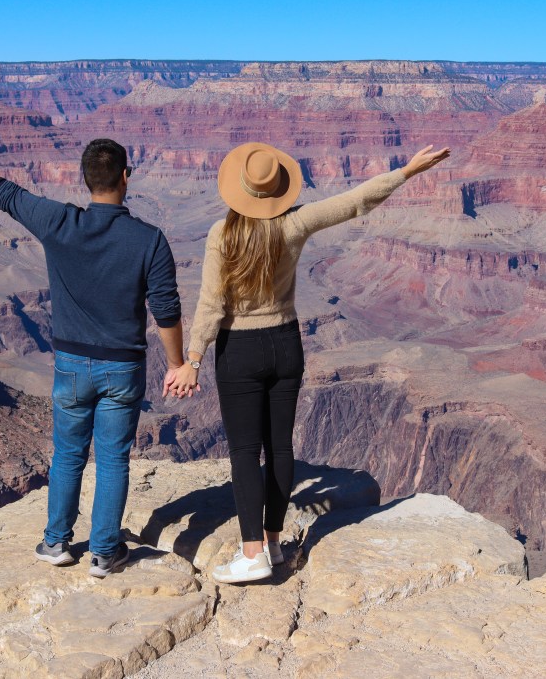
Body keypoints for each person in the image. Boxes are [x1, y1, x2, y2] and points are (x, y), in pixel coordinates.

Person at [0, 124, 185, 577]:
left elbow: (1, 191)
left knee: (69, 454)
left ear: (84, 179)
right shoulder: (149, 239)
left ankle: (56, 542)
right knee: (113, 458)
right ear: (125, 176)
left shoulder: (58, 221)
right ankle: (105, 553)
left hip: (71, 365)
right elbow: (166, 310)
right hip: (123, 366)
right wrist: (176, 363)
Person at [166, 141, 451, 583]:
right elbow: (354, 201)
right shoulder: (294, 224)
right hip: (285, 344)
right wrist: (406, 172)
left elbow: (211, 302)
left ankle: (252, 554)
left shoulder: (222, 234)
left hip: (239, 349)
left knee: (245, 452)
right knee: (281, 448)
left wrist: (193, 359)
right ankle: (274, 544)